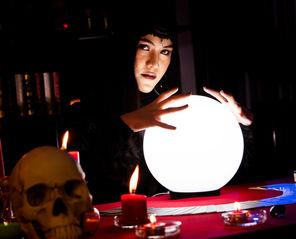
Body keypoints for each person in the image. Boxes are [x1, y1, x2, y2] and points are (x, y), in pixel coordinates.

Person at [63, 22, 254, 204]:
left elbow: (217, 171)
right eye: (145, 48)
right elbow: (76, 178)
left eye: (165, 52)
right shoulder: (88, 111)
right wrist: (129, 123)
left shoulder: (174, 111)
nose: (154, 63)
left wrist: (240, 126)